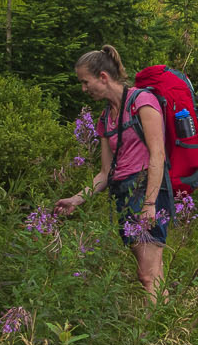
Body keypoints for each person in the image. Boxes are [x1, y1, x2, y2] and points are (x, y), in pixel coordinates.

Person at [52, 45, 171, 298]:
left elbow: (157, 155)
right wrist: (77, 199)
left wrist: (149, 204)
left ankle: (155, 333)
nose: (84, 89)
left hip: (145, 192)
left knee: (148, 275)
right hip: (123, 196)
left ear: (103, 77)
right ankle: (166, 330)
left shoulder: (142, 102)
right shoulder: (106, 118)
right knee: (150, 274)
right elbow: (105, 173)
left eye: (86, 82)